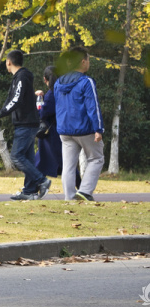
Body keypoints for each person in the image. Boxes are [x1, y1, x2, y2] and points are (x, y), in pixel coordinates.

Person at [0, 49, 52, 200]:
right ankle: (30, 191)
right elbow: (11, 98)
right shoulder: (19, 78)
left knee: (16, 157)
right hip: (27, 123)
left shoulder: (22, 77)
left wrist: (1, 113)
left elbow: (16, 99)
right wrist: (1, 112)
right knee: (28, 158)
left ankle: (42, 180)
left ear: (9, 62)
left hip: (26, 124)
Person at [54, 47, 105, 201]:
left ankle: (69, 197)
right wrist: (98, 128)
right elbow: (93, 106)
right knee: (96, 158)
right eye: (88, 60)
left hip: (64, 130)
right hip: (85, 129)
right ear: (83, 61)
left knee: (68, 165)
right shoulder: (86, 82)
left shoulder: (58, 82)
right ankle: (85, 191)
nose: (88, 63)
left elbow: (58, 105)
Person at [35, 65, 81, 188]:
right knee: (54, 162)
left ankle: (32, 188)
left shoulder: (51, 94)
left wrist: (39, 99)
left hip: (51, 134)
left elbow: (43, 112)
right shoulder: (63, 91)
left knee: (50, 162)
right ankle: (32, 188)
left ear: (45, 79)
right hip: (62, 129)